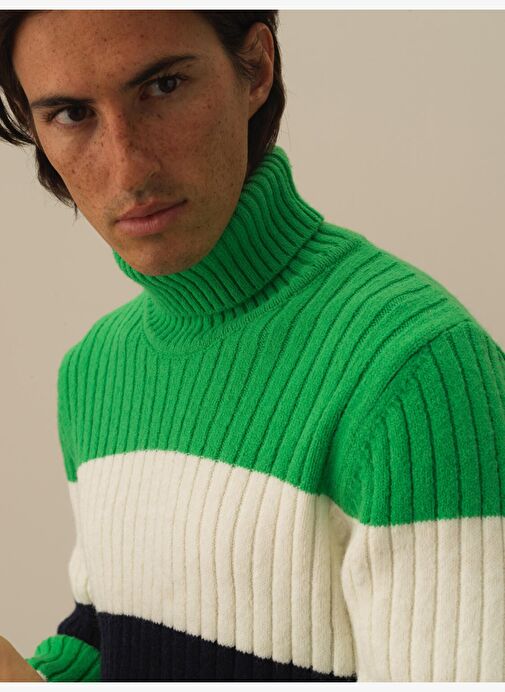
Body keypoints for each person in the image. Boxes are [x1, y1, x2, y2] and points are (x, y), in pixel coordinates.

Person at [0, 9, 504, 684]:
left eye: (163, 87)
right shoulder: (96, 369)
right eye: (71, 114)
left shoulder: (416, 374)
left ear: (256, 68)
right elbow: (109, 640)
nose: (128, 168)